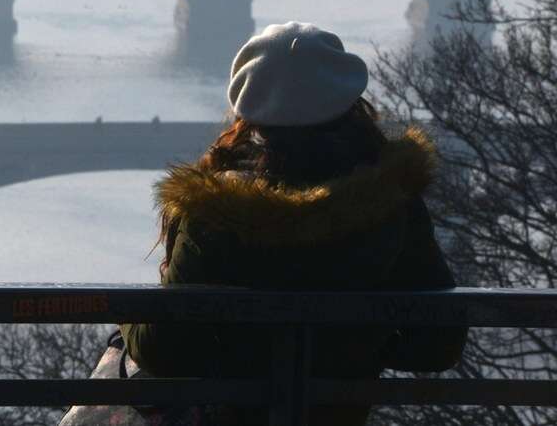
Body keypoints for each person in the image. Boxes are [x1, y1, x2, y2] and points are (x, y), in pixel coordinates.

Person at [121, 22, 466, 426]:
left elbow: (164, 350)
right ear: (349, 104)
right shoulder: (392, 204)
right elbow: (438, 345)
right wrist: (363, 344)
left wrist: (126, 318)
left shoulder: (214, 213)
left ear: (248, 111)